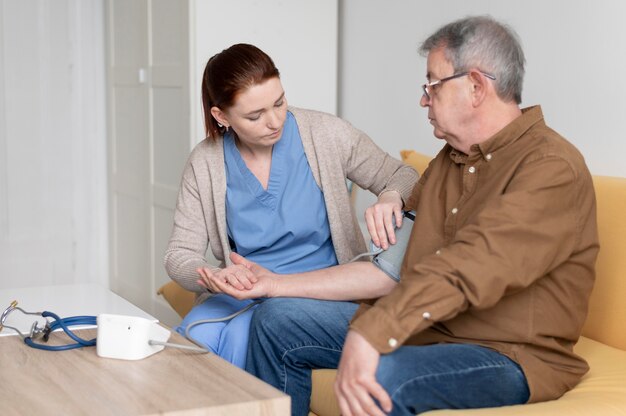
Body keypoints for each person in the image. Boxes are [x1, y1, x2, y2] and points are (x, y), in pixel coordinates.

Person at [229, 16, 599, 415]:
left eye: (432, 86)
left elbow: (474, 263)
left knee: (385, 379)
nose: (424, 100)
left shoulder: (551, 167)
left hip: (507, 354)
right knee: (276, 322)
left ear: (476, 86)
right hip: (428, 331)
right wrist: (277, 285)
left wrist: (374, 332)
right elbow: (390, 267)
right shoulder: (448, 162)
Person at [163, 43, 418, 369]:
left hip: (316, 296)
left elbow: (404, 175)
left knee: (240, 343)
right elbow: (178, 254)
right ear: (221, 116)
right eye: (255, 116)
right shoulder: (206, 161)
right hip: (242, 294)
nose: (274, 121)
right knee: (191, 343)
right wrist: (213, 275)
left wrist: (390, 195)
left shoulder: (326, 133)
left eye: (279, 103)